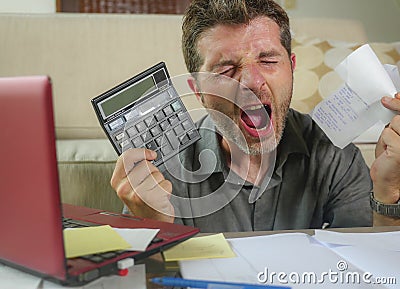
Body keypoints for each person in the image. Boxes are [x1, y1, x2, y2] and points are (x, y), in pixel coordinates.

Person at [111, 0, 400, 232]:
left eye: (268, 60)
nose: (251, 81)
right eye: (225, 69)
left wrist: (388, 192)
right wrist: (152, 226)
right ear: (196, 89)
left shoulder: (334, 155)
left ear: (292, 67)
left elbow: (369, 267)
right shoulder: (160, 171)